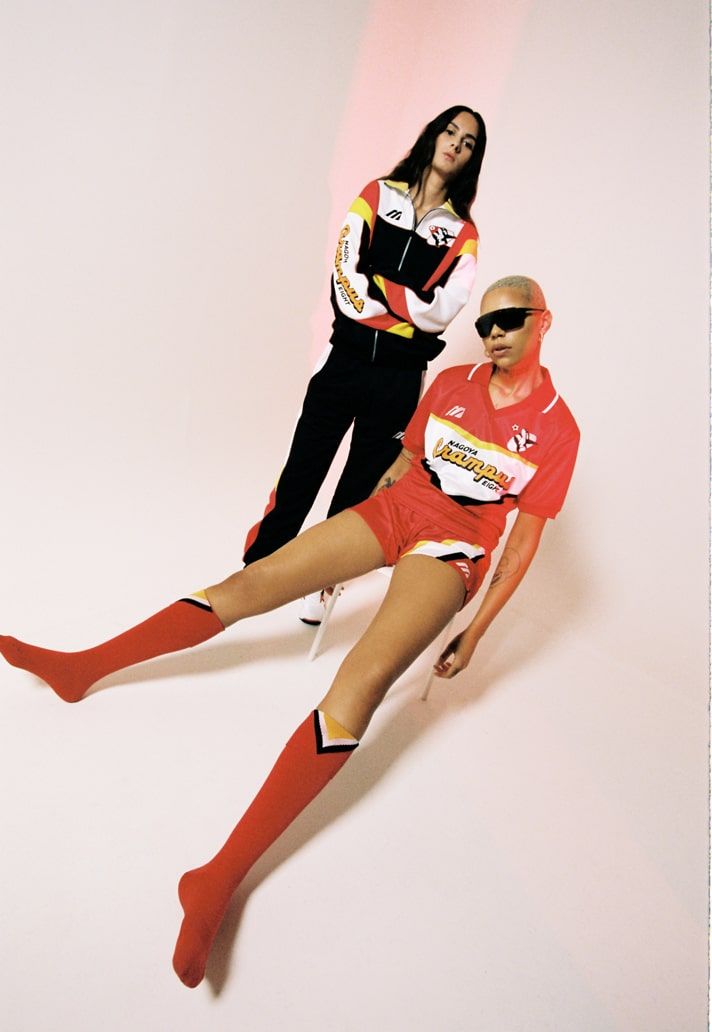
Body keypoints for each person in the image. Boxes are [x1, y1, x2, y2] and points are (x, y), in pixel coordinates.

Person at [0, 276, 579, 989]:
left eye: (510, 319)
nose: (493, 333)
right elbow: (405, 462)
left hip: (453, 549)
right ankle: (83, 667)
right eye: (486, 321)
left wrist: (477, 632)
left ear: (542, 322)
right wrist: (358, 538)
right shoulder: (453, 382)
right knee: (252, 582)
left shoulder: (558, 428)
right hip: (396, 511)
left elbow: (520, 548)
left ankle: (217, 878)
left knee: (361, 681)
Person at [241, 105, 487, 624]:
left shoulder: (463, 234)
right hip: (344, 360)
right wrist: (406, 307)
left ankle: (321, 584)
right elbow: (347, 283)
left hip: (400, 379)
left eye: (468, 143)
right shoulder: (377, 195)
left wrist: (382, 288)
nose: (456, 145)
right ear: (433, 135)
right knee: (304, 465)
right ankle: (258, 567)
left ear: (472, 158)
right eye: (450, 132)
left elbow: (442, 312)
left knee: (359, 487)